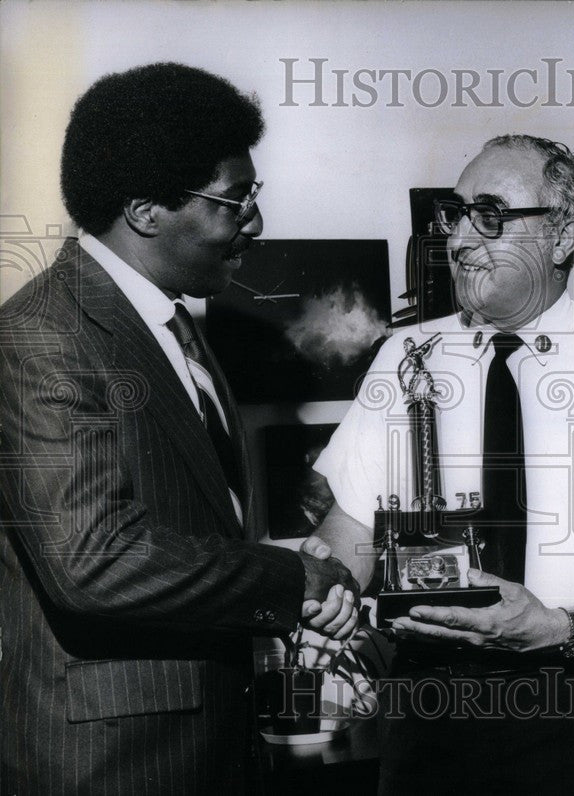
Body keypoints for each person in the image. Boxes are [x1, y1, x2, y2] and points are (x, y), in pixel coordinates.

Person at [304, 134, 574, 794]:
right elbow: (353, 523)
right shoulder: (404, 360)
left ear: (562, 235)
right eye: (456, 214)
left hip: (573, 705)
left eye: (491, 214)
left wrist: (564, 628)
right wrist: (325, 577)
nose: (461, 237)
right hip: (428, 713)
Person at [0, 63, 358, 794]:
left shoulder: (175, 329)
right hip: (113, 767)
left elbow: (192, 532)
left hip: (208, 748)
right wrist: (291, 581)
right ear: (144, 210)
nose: (253, 222)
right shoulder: (42, 335)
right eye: (235, 201)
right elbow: (93, 560)